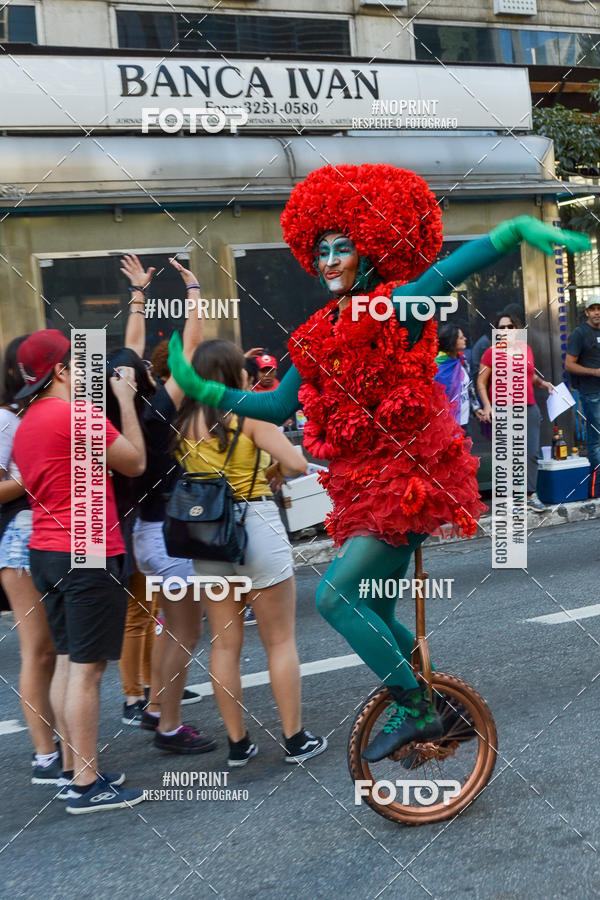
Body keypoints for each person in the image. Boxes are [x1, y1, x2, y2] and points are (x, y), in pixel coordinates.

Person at [168, 164, 590, 763]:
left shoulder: (395, 307)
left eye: (343, 247)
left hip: (414, 478)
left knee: (336, 600)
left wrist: (512, 231)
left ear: (370, 249)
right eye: (322, 250)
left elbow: (447, 270)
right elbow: (276, 402)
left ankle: (417, 708)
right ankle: (444, 711)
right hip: (360, 485)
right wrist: (203, 389)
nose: (331, 259)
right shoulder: (316, 332)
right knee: (378, 610)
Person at [173, 339, 327, 765]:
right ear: (234, 374)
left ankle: (238, 744)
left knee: (223, 646)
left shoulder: (183, 422)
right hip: (254, 525)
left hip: (205, 535)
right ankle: (295, 740)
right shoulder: (249, 413)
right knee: (279, 641)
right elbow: (297, 465)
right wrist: (274, 469)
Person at [12, 329, 147, 813]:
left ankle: (73, 768)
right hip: (86, 547)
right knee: (87, 671)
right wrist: (126, 400)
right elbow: (134, 461)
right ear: (63, 371)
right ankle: (87, 785)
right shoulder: (76, 414)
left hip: (46, 549)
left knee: (69, 661)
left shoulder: (28, 420)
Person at [120, 254, 213, 754]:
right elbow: (192, 346)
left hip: (142, 533)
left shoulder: (119, 412)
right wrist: (194, 289)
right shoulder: (156, 415)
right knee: (183, 632)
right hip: (167, 537)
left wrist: (139, 294)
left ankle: (155, 706)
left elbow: (130, 353)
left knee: (167, 625)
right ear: (143, 379)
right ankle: (170, 727)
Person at [0, 335, 59, 784]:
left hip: (47, 533)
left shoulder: (29, 414)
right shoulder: (5, 420)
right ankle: (45, 756)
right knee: (38, 651)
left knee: (54, 651)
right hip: (22, 537)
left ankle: (61, 748)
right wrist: (29, 477)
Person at [477, 310, 554, 510]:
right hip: (503, 408)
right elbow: (481, 382)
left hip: (529, 408)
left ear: (517, 329)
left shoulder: (525, 349)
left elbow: (530, 376)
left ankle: (529, 496)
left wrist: (543, 383)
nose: (506, 330)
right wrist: (487, 405)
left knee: (530, 453)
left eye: (510, 326)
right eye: (502, 328)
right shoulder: (491, 353)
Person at [565, 297, 600, 479]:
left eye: (599, 308)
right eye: (592, 309)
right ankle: (597, 483)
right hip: (591, 392)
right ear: (586, 312)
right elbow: (569, 365)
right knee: (596, 439)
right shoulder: (580, 333)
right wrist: (594, 372)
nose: (597, 312)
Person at [434, 324, 484, 433]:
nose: (465, 339)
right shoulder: (438, 367)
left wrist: (476, 408)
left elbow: (469, 386)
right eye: (461, 338)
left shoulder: (462, 360)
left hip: (465, 422)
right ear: (452, 342)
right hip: (447, 426)